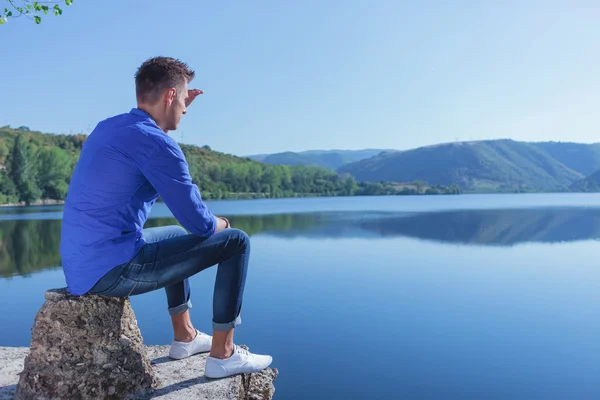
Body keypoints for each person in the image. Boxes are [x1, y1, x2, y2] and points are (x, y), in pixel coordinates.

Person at [59, 56, 272, 379]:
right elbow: (200, 224)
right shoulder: (159, 146)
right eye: (183, 100)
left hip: (81, 265)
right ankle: (223, 354)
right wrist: (223, 224)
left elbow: (148, 139)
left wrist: (176, 104)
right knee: (236, 241)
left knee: (172, 233)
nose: (186, 109)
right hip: (112, 271)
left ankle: (185, 336)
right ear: (170, 95)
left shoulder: (109, 128)